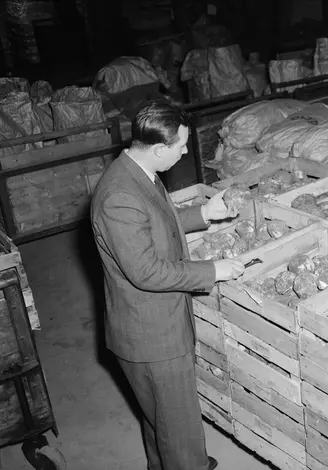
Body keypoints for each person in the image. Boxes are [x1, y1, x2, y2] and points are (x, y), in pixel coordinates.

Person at [91, 100, 245, 470]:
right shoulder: (119, 196)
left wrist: (204, 213)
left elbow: (158, 220)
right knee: (178, 426)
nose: (186, 152)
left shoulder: (139, 171)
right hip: (151, 334)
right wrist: (213, 270)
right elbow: (146, 271)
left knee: (161, 418)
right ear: (159, 148)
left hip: (155, 324)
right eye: (182, 146)